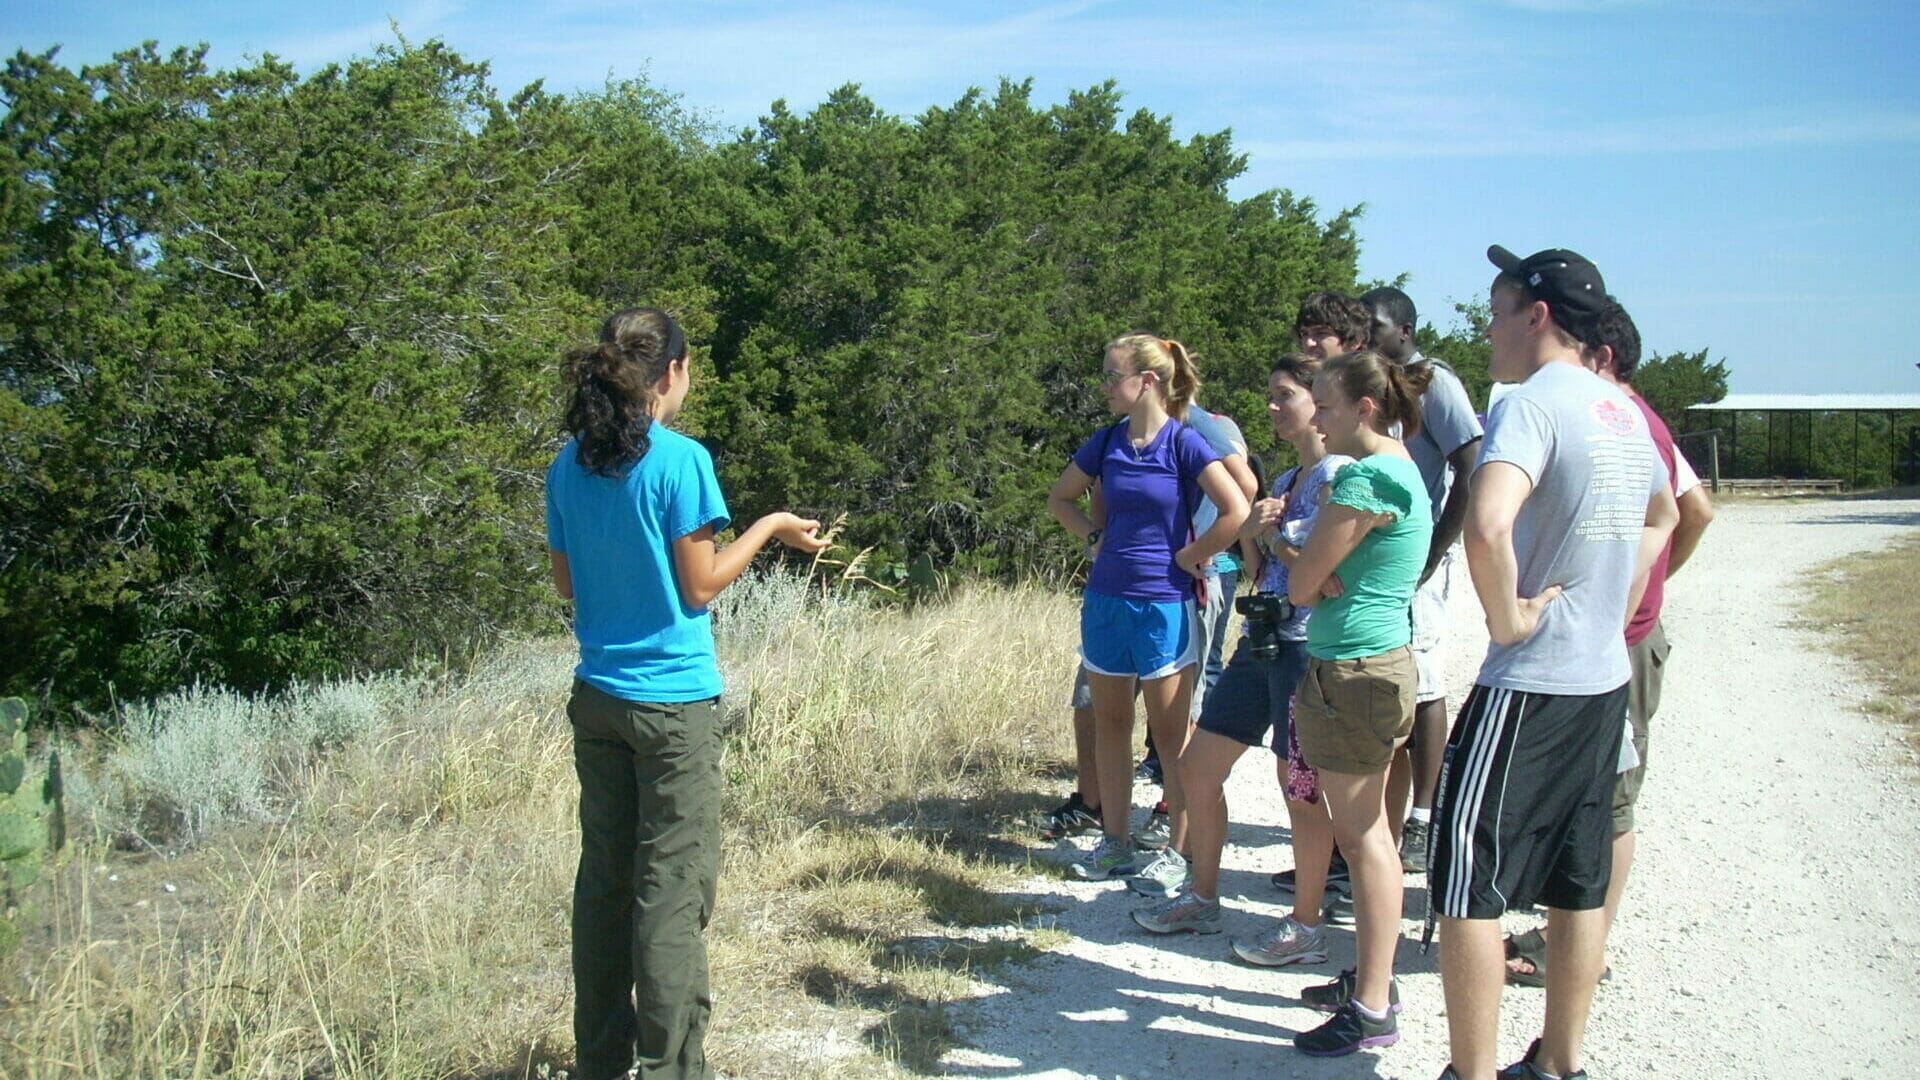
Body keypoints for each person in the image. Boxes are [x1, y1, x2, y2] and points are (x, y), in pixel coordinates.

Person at [546, 307, 831, 1080]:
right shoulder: (680, 460)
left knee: (605, 886)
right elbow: (700, 587)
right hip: (672, 707)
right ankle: (672, 1067)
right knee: (670, 894)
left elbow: (567, 584)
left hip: (598, 698)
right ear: (671, 371)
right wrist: (770, 527)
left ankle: (600, 1061)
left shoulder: (568, 463)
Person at [1428, 249, 1678, 1080]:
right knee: (1579, 878)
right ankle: (1560, 1063)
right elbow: (1666, 513)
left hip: (1532, 683)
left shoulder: (1530, 405)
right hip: (1603, 680)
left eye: (1496, 312)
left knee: (1468, 880)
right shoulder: (1623, 410)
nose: (1487, 330)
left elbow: (1486, 522)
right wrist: (1613, 597)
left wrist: (1511, 617)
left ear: (1536, 317)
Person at [1501, 299, 1715, 988]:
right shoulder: (1620, 416)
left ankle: (1582, 949)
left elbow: (1691, 511)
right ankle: (1567, 933)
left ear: (1602, 357)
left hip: (1620, 642)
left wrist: (1636, 586)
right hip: (1607, 635)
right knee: (1591, 797)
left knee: (1610, 803)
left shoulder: (1629, 419)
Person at [1131, 352, 1354, 939]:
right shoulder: (1286, 481)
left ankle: (1305, 925)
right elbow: (1262, 572)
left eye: (1286, 395)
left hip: (1306, 648)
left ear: (1318, 403)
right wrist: (1255, 535)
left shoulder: (1341, 477)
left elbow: (1325, 578)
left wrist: (1273, 536)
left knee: (1299, 788)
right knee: (1198, 767)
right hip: (1262, 639)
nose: (1273, 407)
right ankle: (1202, 896)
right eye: (1271, 396)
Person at [1046, 333, 1248, 883]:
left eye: (1114, 377)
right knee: (1111, 724)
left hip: (1165, 603)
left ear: (1148, 380)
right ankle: (1115, 844)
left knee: (1171, 735)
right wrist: (1094, 537)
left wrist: (1191, 557)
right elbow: (1060, 498)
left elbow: (1236, 507)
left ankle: (1178, 854)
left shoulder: (1184, 442)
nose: (1106, 387)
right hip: (1106, 600)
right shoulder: (1107, 441)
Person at [1279, 348, 1433, 1058]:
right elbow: (1317, 575)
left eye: (1327, 406)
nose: (1317, 418)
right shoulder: (1403, 469)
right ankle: (1373, 982)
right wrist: (1316, 566)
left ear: (1363, 409)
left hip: (1354, 671)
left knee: (1365, 838)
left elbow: (1300, 585)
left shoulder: (1368, 478)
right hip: (1372, 665)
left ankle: (1372, 1004)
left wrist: (1300, 557)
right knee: (1367, 834)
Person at [1360, 286, 1485, 870]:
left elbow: (1471, 465)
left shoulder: (1434, 383)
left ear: (1404, 331)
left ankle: (1425, 818)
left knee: (1425, 679)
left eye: (1375, 326)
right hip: (1378, 556)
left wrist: (1436, 550)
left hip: (1420, 554)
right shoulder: (1372, 382)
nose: (1365, 335)